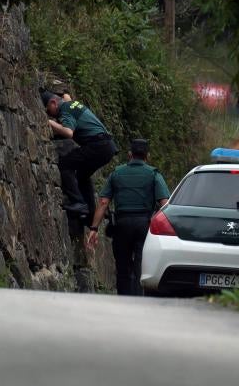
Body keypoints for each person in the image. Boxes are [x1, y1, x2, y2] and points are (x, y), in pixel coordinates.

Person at [86, 139, 170, 296]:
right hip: (144, 225)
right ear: (148, 156)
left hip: (122, 225)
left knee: (123, 266)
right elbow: (165, 204)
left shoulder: (116, 173)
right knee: (141, 265)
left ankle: (123, 298)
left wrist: (94, 228)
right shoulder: (153, 174)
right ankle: (138, 299)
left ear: (130, 154)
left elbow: (104, 202)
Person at [40, 90, 118, 225]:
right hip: (107, 147)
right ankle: (89, 215)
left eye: (48, 110)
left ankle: (78, 202)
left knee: (65, 164)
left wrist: (49, 123)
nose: (50, 114)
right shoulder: (71, 104)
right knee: (82, 176)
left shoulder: (64, 109)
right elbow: (66, 96)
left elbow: (69, 132)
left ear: (53, 103)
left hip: (97, 146)